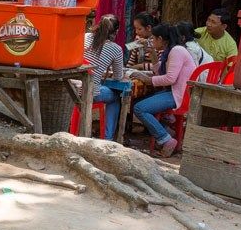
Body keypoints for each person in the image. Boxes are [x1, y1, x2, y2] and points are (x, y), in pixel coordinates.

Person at [131, 24, 195, 153]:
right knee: (137, 102)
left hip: (179, 94)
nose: (152, 41)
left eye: (154, 38)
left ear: (160, 39)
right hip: (173, 91)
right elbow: (161, 72)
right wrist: (153, 53)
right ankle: (166, 129)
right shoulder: (172, 50)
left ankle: (166, 139)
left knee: (139, 108)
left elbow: (170, 78)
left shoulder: (176, 51)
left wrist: (148, 80)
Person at [83, 14, 127, 139]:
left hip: (73, 88)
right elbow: (118, 76)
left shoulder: (85, 37)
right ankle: (108, 138)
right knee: (115, 97)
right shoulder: (116, 49)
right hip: (91, 93)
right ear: (116, 31)